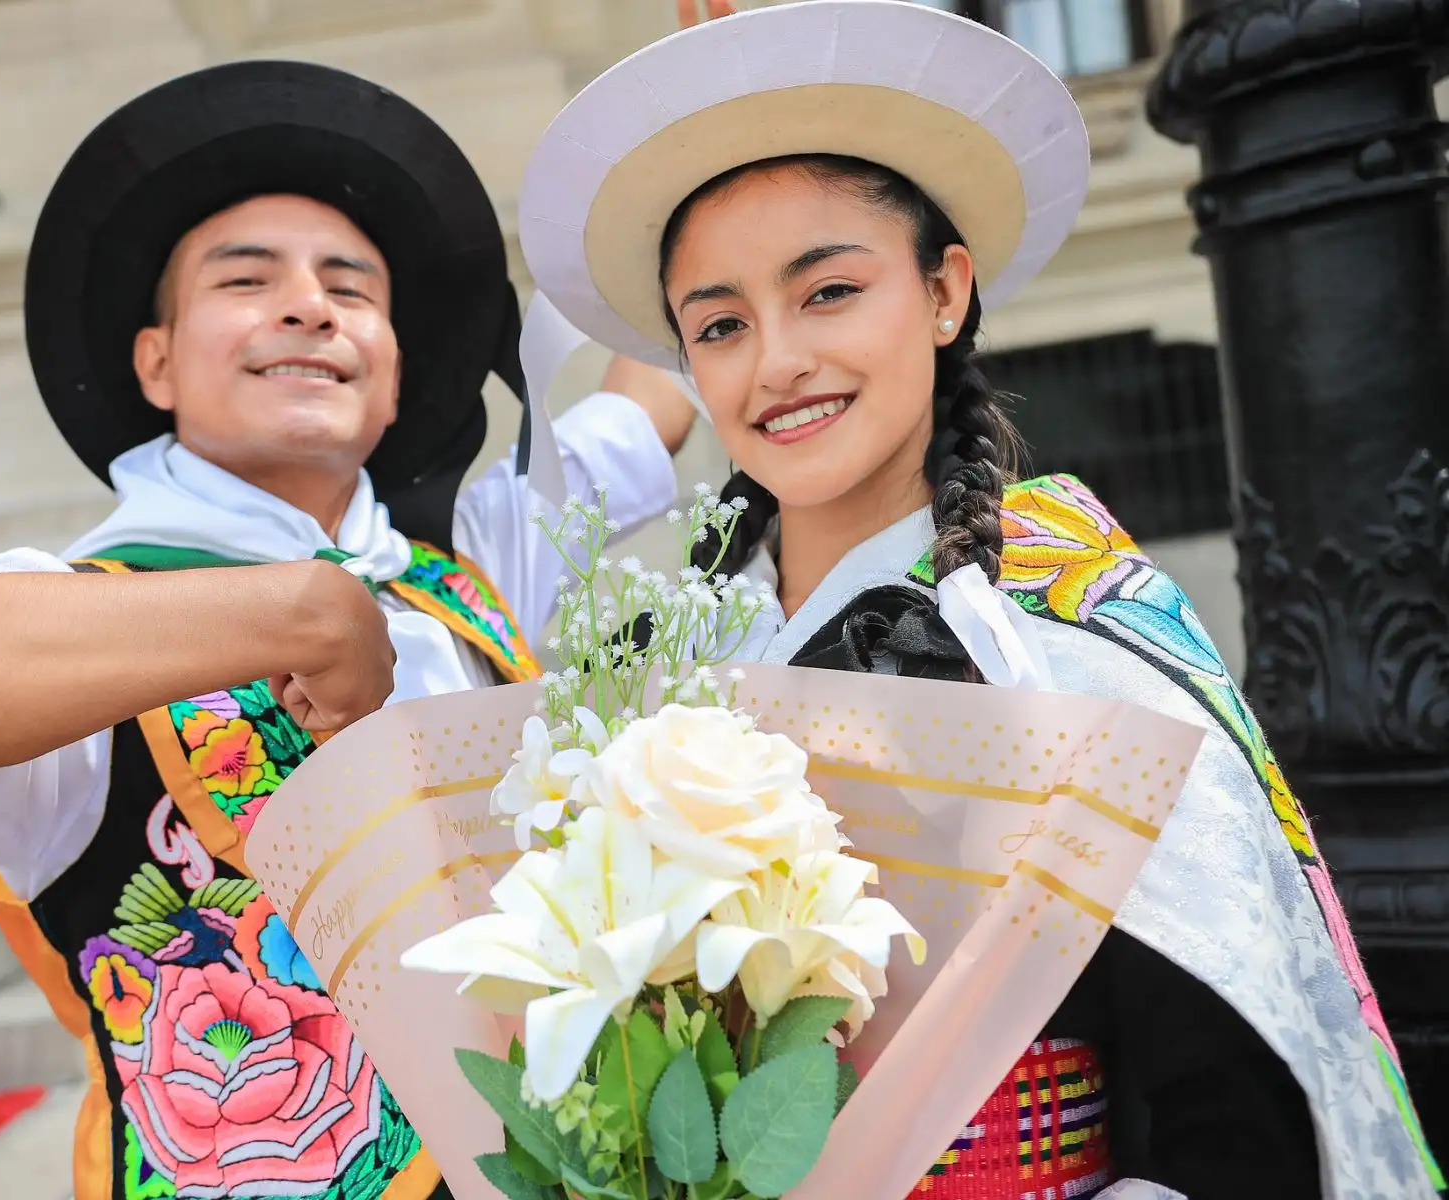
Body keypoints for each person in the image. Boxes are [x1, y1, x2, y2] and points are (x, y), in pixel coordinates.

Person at [513, 2, 1442, 1197]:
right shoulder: (645, 670)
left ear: (945, 292)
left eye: (830, 292)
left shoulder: (1067, 628)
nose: (778, 360)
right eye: (723, 325)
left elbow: (1225, 1090)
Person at [0, 61, 695, 1200]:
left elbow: (656, 401)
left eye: (353, 289)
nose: (310, 305)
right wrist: (284, 608)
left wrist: (696, 135)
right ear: (155, 360)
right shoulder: (84, 624)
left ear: (395, 377)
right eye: (247, 281)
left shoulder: (471, 569)